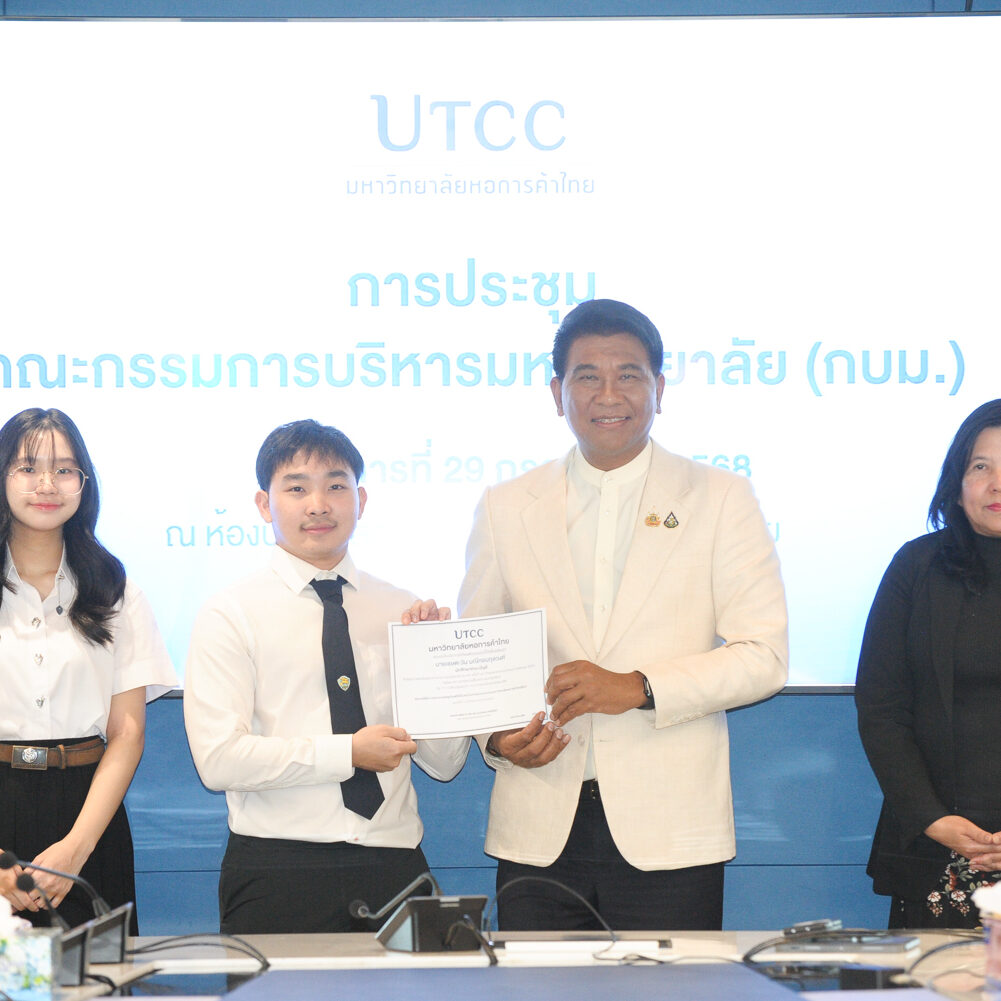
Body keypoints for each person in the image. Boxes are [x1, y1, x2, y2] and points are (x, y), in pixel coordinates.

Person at [457, 299, 788, 931]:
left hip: (670, 830)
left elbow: (764, 657)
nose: (609, 394)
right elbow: (479, 652)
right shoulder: (505, 505)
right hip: (538, 826)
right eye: (587, 376)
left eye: (628, 375)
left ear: (659, 388)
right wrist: (496, 740)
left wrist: (637, 688)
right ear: (557, 393)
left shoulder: (721, 497)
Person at [183, 419, 469, 934]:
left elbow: (446, 764)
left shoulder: (402, 607)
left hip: (396, 863)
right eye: (296, 488)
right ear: (264, 504)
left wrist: (434, 666)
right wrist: (348, 753)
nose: (318, 505)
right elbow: (219, 761)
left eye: (336, 486)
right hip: (277, 869)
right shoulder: (230, 612)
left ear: (361, 499)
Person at [0, 408, 176, 931]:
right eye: (28, 467)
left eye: (64, 469)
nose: (47, 484)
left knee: (98, 972)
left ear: (84, 483)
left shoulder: (115, 591)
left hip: (88, 816)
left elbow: (128, 733)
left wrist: (77, 848)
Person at [856, 399, 1001, 929]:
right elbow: (882, 709)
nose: (996, 484)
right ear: (956, 482)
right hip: (935, 845)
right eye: (981, 466)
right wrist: (932, 818)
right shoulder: (916, 566)